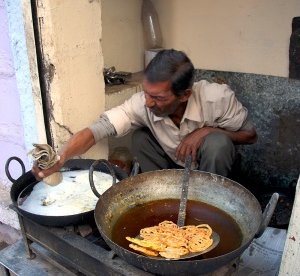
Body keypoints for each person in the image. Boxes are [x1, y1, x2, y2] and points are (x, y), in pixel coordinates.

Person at [32, 49, 257, 181]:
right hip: (173, 166)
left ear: (184, 94)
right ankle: (163, 193)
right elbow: (95, 132)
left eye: (158, 98)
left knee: (218, 142)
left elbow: (250, 136)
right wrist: (60, 160)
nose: (149, 103)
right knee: (140, 136)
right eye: (146, 93)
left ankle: (209, 203)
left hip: (213, 173)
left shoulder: (216, 98)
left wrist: (207, 131)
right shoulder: (142, 103)